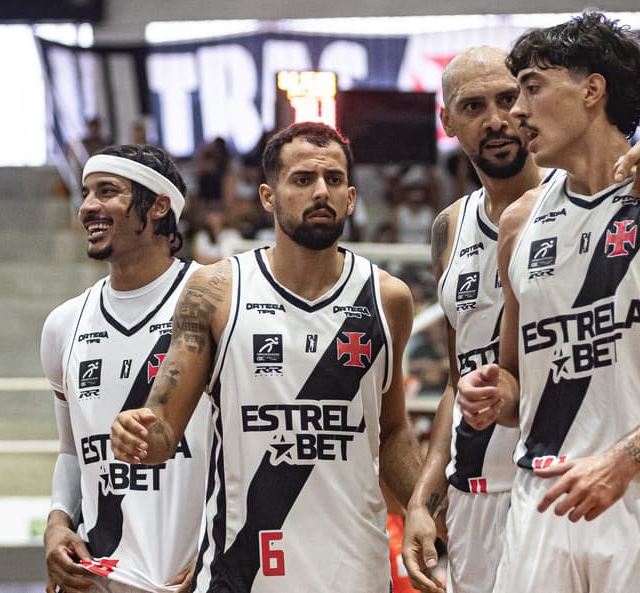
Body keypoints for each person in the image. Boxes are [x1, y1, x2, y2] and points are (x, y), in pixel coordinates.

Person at [457, 13, 640, 592]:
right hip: (540, 495)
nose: (516, 113)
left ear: (592, 89)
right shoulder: (519, 223)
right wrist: (494, 390)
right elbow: (517, 386)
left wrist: (622, 460)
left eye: (531, 89)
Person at [402, 45, 640, 593]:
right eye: (472, 107)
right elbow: (457, 378)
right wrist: (424, 497)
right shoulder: (451, 228)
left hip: (570, 475)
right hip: (477, 487)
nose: (496, 120)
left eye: (509, 97)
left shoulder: (604, 194)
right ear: (448, 122)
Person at [109, 122, 423, 592]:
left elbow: (393, 430)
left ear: (352, 197)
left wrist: (425, 508)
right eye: (302, 179)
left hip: (355, 570)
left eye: (334, 180)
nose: (321, 191)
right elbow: (162, 434)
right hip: (244, 571)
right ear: (267, 196)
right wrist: (134, 434)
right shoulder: (215, 291)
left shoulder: (388, 297)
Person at [40, 143, 211, 593]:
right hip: (99, 579)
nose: (87, 207)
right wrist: (58, 520)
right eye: (86, 192)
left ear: (158, 206)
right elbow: (72, 452)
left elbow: (247, 449)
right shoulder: (64, 323)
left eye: (107, 191)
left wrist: (220, 552)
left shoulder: (215, 301)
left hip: (194, 578)